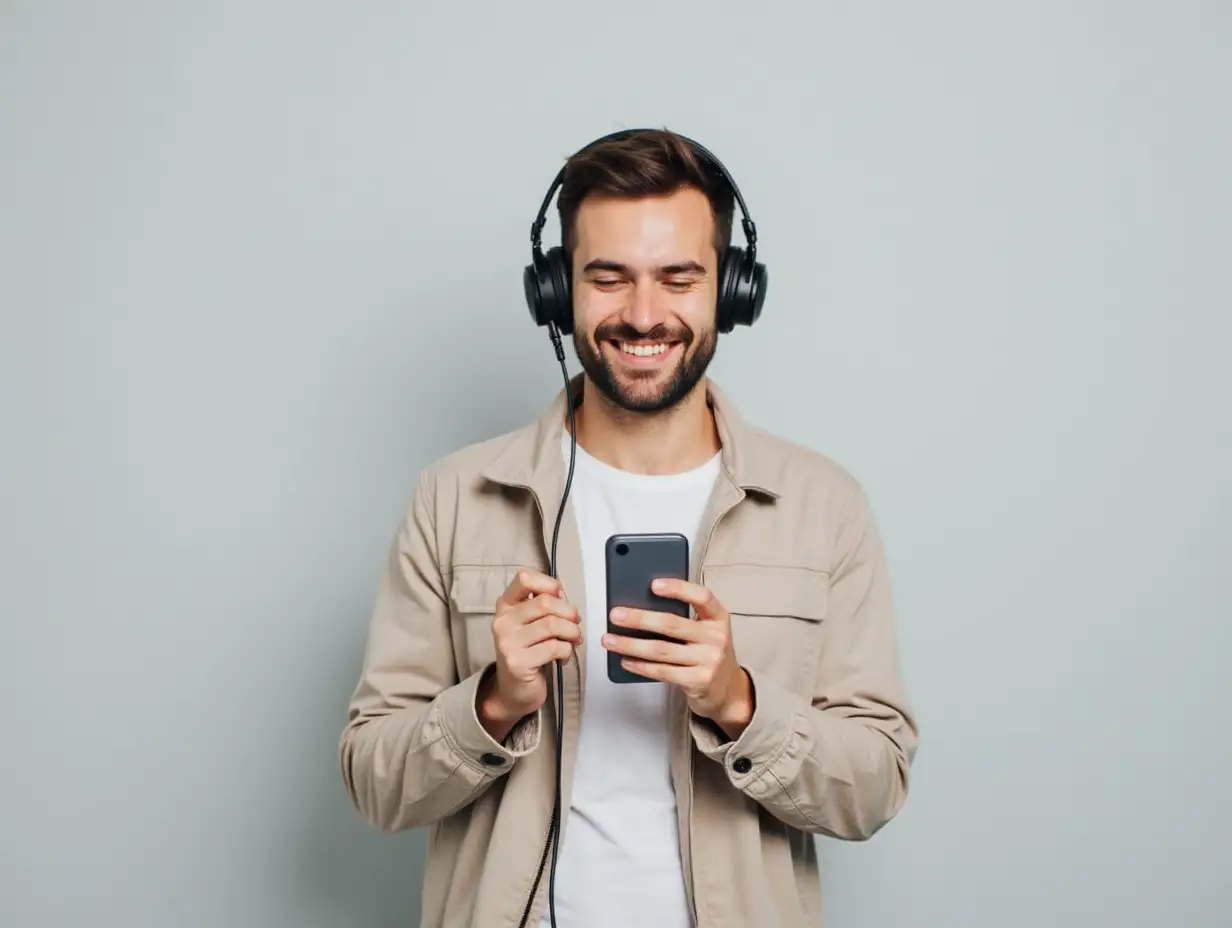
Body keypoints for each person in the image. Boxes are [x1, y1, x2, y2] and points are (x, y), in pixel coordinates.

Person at [338, 127, 919, 928]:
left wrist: (740, 702)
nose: (644, 315)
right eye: (608, 279)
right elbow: (374, 783)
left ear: (732, 289)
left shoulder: (822, 505)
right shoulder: (455, 499)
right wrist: (494, 702)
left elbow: (875, 786)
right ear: (556, 289)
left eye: (679, 279)